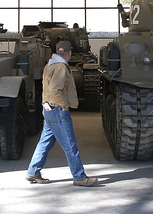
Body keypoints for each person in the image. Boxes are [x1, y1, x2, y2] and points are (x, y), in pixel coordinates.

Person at [25, 40, 98, 187]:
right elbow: (55, 90)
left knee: (45, 142)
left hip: (49, 109)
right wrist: (64, 106)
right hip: (58, 110)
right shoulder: (61, 67)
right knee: (70, 145)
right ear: (69, 53)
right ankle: (79, 176)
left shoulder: (50, 64)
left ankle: (33, 172)